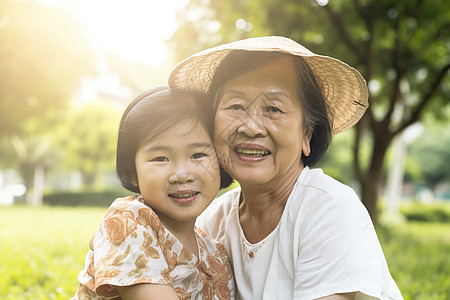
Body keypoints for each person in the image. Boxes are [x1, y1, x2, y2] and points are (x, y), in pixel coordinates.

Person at [168, 36, 403, 299]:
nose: (251, 127)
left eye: (273, 109)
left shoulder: (329, 208)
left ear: (307, 135)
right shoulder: (213, 221)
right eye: (235, 106)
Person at [73, 86, 235, 300]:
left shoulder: (216, 254)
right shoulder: (129, 222)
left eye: (197, 154)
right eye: (161, 158)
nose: (182, 174)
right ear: (133, 171)